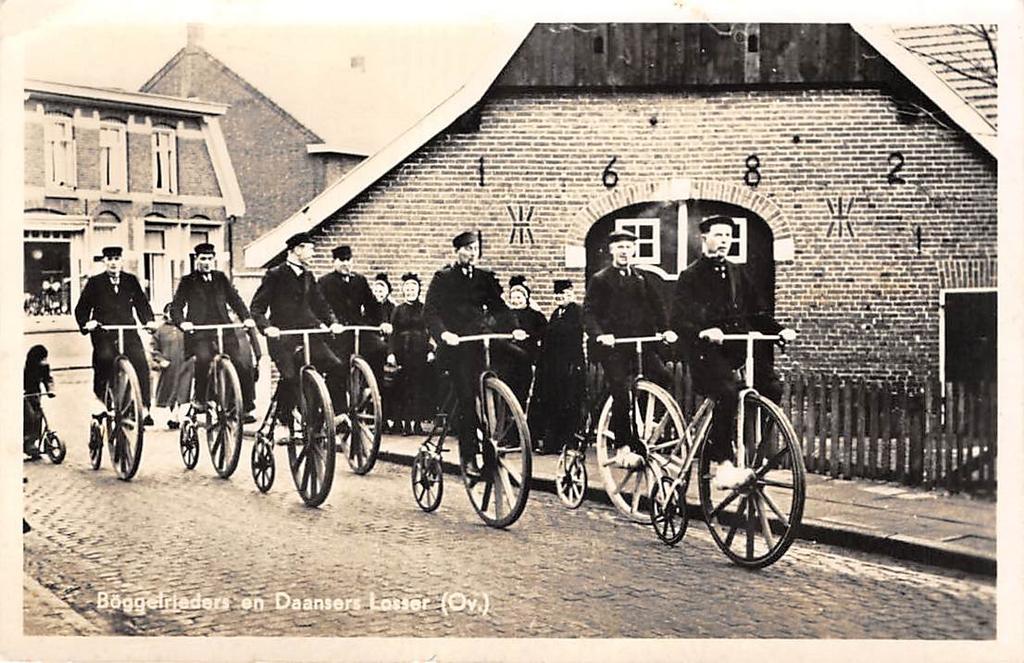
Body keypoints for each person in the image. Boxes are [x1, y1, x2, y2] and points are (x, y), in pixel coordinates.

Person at [670, 215, 796, 490]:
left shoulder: (737, 272)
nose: (725, 241)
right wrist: (704, 331)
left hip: (735, 352)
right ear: (705, 238)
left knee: (772, 386)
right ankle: (723, 463)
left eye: (729, 236)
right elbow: (678, 319)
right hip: (705, 354)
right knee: (727, 391)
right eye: (720, 235)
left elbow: (756, 311)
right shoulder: (691, 275)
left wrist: (779, 329)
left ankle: (750, 447)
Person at [423, 230, 525, 476]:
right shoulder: (443, 278)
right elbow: (431, 311)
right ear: (457, 252)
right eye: (467, 249)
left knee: (520, 359)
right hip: (458, 346)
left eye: (475, 249)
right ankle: (469, 457)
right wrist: (443, 334)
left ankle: (508, 426)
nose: (472, 254)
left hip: (481, 341)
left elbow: (500, 307)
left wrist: (515, 328)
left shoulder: (485, 277)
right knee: (467, 399)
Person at [582, 229, 677, 471]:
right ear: (612, 250)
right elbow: (589, 313)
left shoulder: (642, 279)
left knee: (663, 376)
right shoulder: (601, 279)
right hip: (614, 348)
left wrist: (665, 329)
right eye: (620, 247)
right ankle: (623, 445)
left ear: (634, 250)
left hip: (639, 344)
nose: (624, 251)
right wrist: (601, 335)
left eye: (628, 247)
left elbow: (658, 308)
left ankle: (650, 421)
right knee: (621, 391)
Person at [250, 233, 347, 427]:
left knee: (336, 366)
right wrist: (267, 328)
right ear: (297, 249)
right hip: (282, 337)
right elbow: (257, 308)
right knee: (291, 376)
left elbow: (321, 305)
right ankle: (284, 416)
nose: (313, 253)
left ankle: (336, 414)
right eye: (310, 249)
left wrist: (333, 322)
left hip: (308, 335)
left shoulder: (308, 276)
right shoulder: (275, 274)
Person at [168, 243, 258, 424]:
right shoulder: (188, 281)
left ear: (213, 260)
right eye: (203, 259)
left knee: (242, 363)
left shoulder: (220, 278)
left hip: (224, 329)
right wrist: (183, 323)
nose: (207, 262)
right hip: (200, 332)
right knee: (203, 359)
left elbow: (235, 300)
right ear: (196, 260)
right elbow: (176, 307)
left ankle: (245, 406)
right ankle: (201, 399)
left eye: (210, 259)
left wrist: (246, 318)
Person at [74, 245, 157, 428]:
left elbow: (142, 304)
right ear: (104, 262)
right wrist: (86, 323)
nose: (113, 263)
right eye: (109, 259)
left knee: (141, 362)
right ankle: (100, 400)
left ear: (121, 261)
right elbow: (81, 308)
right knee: (103, 358)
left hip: (127, 330)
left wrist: (148, 321)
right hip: (104, 332)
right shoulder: (95, 282)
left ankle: (143, 406)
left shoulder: (130, 281)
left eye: (116, 259)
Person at [529, 279, 585, 455]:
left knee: (569, 404)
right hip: (553, 367)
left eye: (565, 294)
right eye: (558, 295)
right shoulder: (556, 313)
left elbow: (568, 333)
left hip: (569, 365)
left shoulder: (576, 312)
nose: (560, 298)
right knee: (552, 404)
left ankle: (569, 443)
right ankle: (551, 442)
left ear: (571, 294)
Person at [388, 273, 433, 435]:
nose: (410, 291)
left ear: (418, 290)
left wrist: (430, 350)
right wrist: (391, 353)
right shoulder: (398, 310)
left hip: (419, 352)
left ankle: (418, 424)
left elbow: (429, 332)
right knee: (403, 388)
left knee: (419, 387)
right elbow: (393, 334)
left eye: (413, 288)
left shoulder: (424, 309)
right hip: (403, 353)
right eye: (407, 288)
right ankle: (405, 424)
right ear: (403, 290)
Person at [495, 275, 547, 409]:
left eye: (519, 297)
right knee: (506, 393)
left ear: (526, 298)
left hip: (526, 360)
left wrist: (527, 335)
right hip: (507, 361)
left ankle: (519, 421)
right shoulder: (505, 315)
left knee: (522, 392)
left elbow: (544, 333)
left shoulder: (535, 315)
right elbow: (498, 332)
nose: (516, 301)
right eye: (513, 297)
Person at [151, 303, 194, 429]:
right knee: (170, 392)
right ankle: (172, 417)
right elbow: (154, 348)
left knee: (184, 392)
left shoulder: (184, 328)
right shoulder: (161, 330)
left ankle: (182, 417)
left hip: (185, 366)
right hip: (169, 367)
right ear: (166, 313)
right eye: (170, 312)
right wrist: (160, 360)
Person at [23, 344, 55, 459]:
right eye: (42, 358)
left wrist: (50, 390)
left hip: (35, 394)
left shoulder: (44, 367)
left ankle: (32, 442)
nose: (44, 361)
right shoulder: (26, 368)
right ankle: (27, 442)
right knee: (30, 417)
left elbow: (48, 379)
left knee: (38, 416)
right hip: (25, 394)